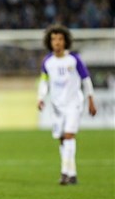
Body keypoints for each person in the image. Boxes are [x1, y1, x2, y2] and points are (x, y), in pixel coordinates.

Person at [37, 24, 97, 185]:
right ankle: (72, 173)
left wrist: (91, 99)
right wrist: (41, 97)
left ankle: (64, 172)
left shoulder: (74, 59)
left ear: (65, 41)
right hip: (57, 106)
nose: (57, 42)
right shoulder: (47, 61)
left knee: (69, 135)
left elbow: (86, 79)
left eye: (60, 39)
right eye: (54, 39)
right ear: (49, 42)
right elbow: (44, 81)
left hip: (74, 103)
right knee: (63, 139)